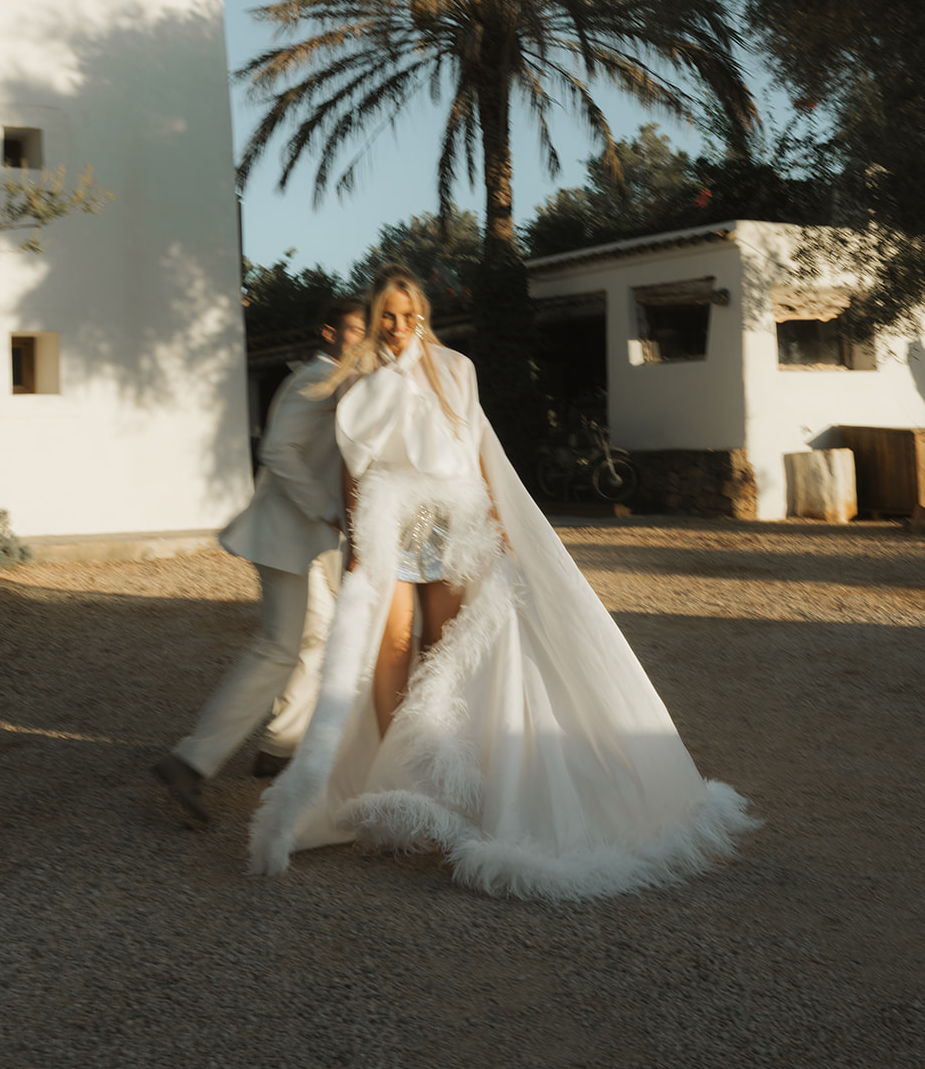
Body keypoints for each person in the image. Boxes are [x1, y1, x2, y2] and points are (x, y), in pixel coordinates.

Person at [250, 265, 756, 901]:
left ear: (423, 315)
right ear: (375, 317)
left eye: (410, 314)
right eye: (388, 315)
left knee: (449, 651)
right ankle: (398, 784)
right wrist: (357, 544)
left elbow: (477, 453)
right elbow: (355, 472)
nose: (400, 326)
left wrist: (498, 527)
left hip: (451, 525)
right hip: (391, 526)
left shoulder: (456, 369)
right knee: (393, 646)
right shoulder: (359, 385)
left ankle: (447, 779)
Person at [152, 297, 366, 822]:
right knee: (278, 647)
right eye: (356, 330)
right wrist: (328, 510)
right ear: (330, 334)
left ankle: (279, 746)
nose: (364, 340)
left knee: (316, 637)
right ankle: (190, 761)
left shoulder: (349, 383)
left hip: (305, 540)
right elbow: (276, 450)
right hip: (284, 534)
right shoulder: (318, 379)